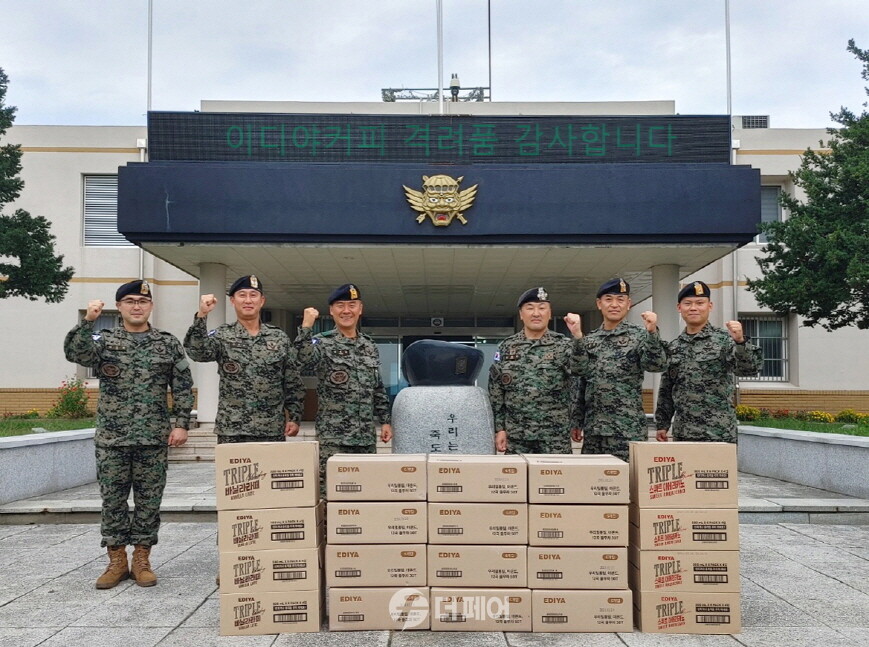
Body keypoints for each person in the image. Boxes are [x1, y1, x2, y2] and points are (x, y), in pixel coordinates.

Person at [63, 280, 193, 589]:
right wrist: (88, 320)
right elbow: (75, 354)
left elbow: (183, 386)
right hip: (113, 438)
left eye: (143, 301)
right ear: (119, 307)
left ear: (151, 306)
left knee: (149, 501)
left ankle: (142, 559)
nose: (137, 306)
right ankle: (117, 560)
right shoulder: (104, 340)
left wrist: (181, 423)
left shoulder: (167, 342)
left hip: (152, 437)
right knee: (113, 501)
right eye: (130, 301)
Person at [294, 283, 391, 493]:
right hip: (333, 438)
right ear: (331, 310)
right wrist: (306, 327)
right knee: (330, 492)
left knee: (365, 491)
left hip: (365, 437)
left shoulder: (369, 345)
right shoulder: (321, 342)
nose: (346, 311)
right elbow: (301, 359)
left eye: (352, 305)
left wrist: (385, 421)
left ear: (360, 309)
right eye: (340, 305)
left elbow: (377, 386)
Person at [184, 275, 304, 444]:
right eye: (242, 295)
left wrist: (294, 416)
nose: (248, 300)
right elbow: (198, 353)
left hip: (270, 429)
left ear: (262, 301)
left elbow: (292, 381)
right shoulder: (223, 335)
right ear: (233, 301)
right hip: (232, 430)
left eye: (253, 295)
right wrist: (202, 315)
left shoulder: (279, 338)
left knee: (269, 471)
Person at [570, 278, 667, 462]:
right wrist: (577, 420)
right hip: (594, 430)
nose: (614, 304)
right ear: (599, 304)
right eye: (608, 299)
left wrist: (653, 333)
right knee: (593, 484)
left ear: (628, 304)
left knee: (630, 484)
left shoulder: (640, 336)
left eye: (620, 299)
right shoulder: (589, 340)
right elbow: (581, 382)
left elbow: (656, 365)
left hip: (627, 429)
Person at [655, 281, 763, 443]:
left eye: (700, 303)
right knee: (685, 470)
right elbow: (667, 389)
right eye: (688, 303)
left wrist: (740, 342)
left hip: (718, 433)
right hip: (684, 433)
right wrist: (662, 424)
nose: (693, 308)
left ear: (710, 306)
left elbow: (748, 369)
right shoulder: (675, 346)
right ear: (679, 308)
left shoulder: (725, 340)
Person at [489, 287, 583, 454]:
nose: (536, 313)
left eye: (541, 308)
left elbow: (581, 372)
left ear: (549, 313)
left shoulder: (564, 345)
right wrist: (500, 428)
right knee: (516, 480)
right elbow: (496, 391)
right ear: (521, 314)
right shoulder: (506, 347)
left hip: (554, 437)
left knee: (556, 480)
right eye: (530, 308)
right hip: (517, 436)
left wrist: (577, 336)